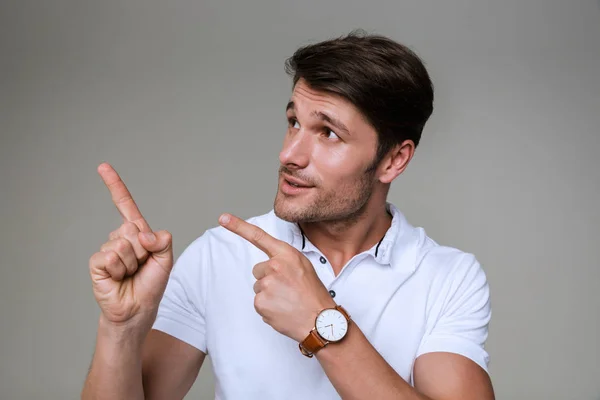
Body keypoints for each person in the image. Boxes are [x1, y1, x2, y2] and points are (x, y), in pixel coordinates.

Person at [82, 31, 494, 400]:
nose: (289, 154)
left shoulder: (449, 277)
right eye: (294, 122)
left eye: (328, 133)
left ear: (394, 159)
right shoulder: (219, 254)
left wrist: (322, 324)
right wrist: (120, 329)